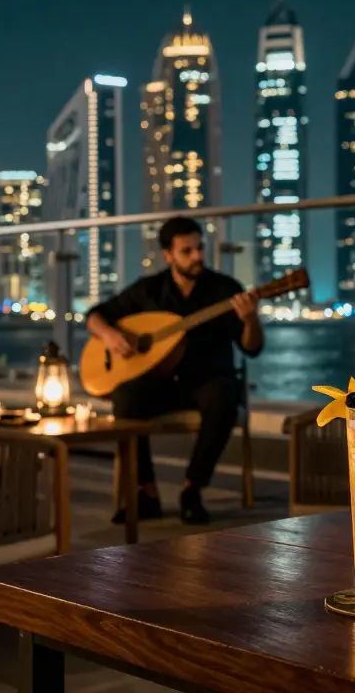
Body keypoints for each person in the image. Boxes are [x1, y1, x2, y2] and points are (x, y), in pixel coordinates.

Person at [86, 216, 262, 524]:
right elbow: (95, 315)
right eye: (187, 251)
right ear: (168, 254)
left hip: (207, 382)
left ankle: (192, 489)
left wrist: (249, 320)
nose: (197, 257)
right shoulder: (148, 290)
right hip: (161, 385)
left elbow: (252, 348)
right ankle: (146, 492)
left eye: (199, 249)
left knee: (223, 396)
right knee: (126, 396)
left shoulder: (225, 289)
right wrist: (111, 335)